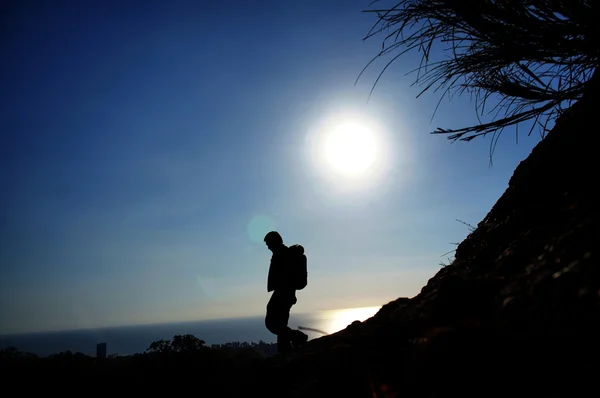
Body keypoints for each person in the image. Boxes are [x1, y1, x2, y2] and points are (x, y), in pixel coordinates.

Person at [264, 231, 308, 354]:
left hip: (282, 294)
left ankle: (298, 337)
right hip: (286, 294)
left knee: (272, 323)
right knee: (280, 323)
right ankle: (285, 351)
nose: (268, 247)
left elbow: (286, 277)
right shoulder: (284, 253)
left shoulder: (282, 254)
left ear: (274, 242)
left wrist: (287, 292)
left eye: (268, 243)